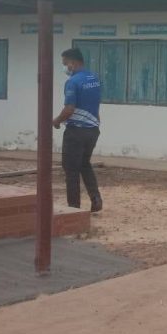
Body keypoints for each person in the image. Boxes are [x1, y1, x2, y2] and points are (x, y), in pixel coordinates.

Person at [53, 48, 103, 213]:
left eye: (65, 63)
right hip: (93, 130)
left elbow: (69, 109)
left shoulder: (73, 82)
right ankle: (96, 199)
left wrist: (56, 121)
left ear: (73, 63)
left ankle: (74, 208)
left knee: (71, 170)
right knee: (84, 164)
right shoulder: (93, 78)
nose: (65, 67)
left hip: (76, 132)